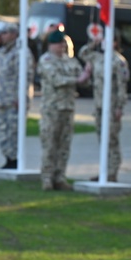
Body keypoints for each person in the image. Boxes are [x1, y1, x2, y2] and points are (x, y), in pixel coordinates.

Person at [37, 29, 90, 190]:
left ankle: (60, 177)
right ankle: (47, 178)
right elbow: (56, 80)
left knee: (64, 145)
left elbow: (84, 82)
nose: (61, 47)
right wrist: (78, 79)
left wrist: (86, 75)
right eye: (58, 44)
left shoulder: (70, 61)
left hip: (67, 108)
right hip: (52, 108)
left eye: (63, 44)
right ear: (51, 45)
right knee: (50, 144)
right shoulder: (46, 60)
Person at [78, 30, 130, 182]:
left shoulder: (118, 61)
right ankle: (103, 171)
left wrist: (120, 106)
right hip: (99, 105)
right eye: (103, 40)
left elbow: (122, 86)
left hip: (112, 105)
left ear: (115, 43)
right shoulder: (97, 58)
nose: (104, 43)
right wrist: (93, 42)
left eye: (108, 40)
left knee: (111, 139)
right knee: (102, 139)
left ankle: (112, 172)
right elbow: (83, 53)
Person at [0, 22, 34, 169]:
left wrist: (21, 97)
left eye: (4, 33)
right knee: (3, 131)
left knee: (14, 132)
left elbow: (25, 76)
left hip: (14, 100)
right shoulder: (1, 51)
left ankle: (15, 161)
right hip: (2, 99)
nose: (1, 36)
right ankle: (8, 159)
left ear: (13, 34)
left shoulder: (20, 52)